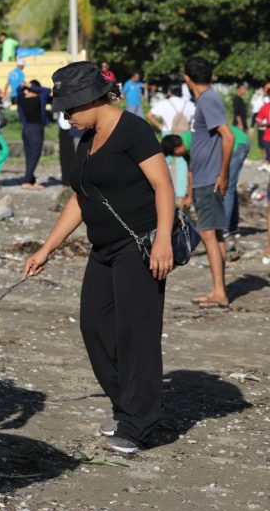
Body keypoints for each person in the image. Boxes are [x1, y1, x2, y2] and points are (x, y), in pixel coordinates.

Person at [24, 61, 175, 455]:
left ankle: (139, 424)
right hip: (103, 249)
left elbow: (163, 185)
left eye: (70, 109)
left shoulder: (134, 131)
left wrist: (163, 240)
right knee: (94, 326)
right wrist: (46, 248)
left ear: (93, 99)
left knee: (135, 334)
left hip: (138, 246)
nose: (67, 118)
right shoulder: (87, 140)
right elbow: (80, 198)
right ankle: (125, 406)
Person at [184, 56, 234, 309]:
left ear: (187, 79)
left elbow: (228, 137)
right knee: (215, 233)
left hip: (209, 178)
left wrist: (222, 175)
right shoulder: (205, 100)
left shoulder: (208, 99)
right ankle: (218, 288)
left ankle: (219, 292)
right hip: (205, 177)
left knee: (207, 233)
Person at [19, 80, 51, 190]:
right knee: (34, 156)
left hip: (25, 129)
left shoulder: (22, 98)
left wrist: (25, 86)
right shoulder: (40, 97)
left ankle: (31, 180)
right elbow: (47, 90)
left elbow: (18, 91)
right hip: (36, 130)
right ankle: (27, 181)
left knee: (29, 156)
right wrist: (31, 85)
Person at [225, 119, 249, 237]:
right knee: (231, 186)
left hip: (238, 144)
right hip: (239, 141)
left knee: (228, 186)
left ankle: (225, 227)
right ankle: (232, 226)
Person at [161, 134, 190, 207]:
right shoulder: (185, 148)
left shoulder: (193, 143)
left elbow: (193, 173)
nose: (176, 156)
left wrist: (189, 197)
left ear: (176, 150)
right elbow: (190, 171)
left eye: (172, 155)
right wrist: (188, 195)